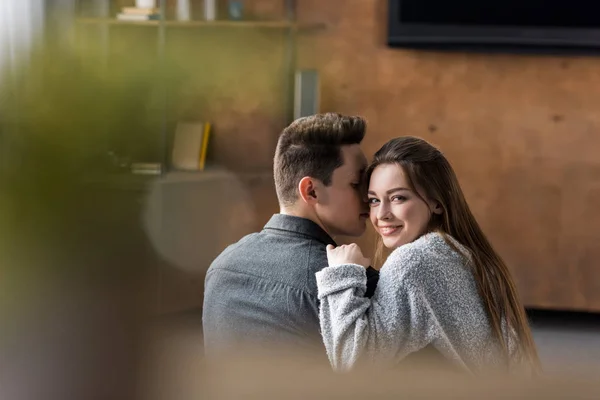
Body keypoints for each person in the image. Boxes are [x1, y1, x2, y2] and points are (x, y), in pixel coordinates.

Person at [316, 136, 541, 374]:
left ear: (437, 203)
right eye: (373, 200)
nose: (381, 214)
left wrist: (342, 274)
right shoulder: (462, 255)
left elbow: (353, 365)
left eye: (398, 198)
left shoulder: (414, 262)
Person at [202, 113, 379, 357]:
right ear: (311, 191)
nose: (369, 195)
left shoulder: (221, 266)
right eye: (357, 183)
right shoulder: (349, 284)